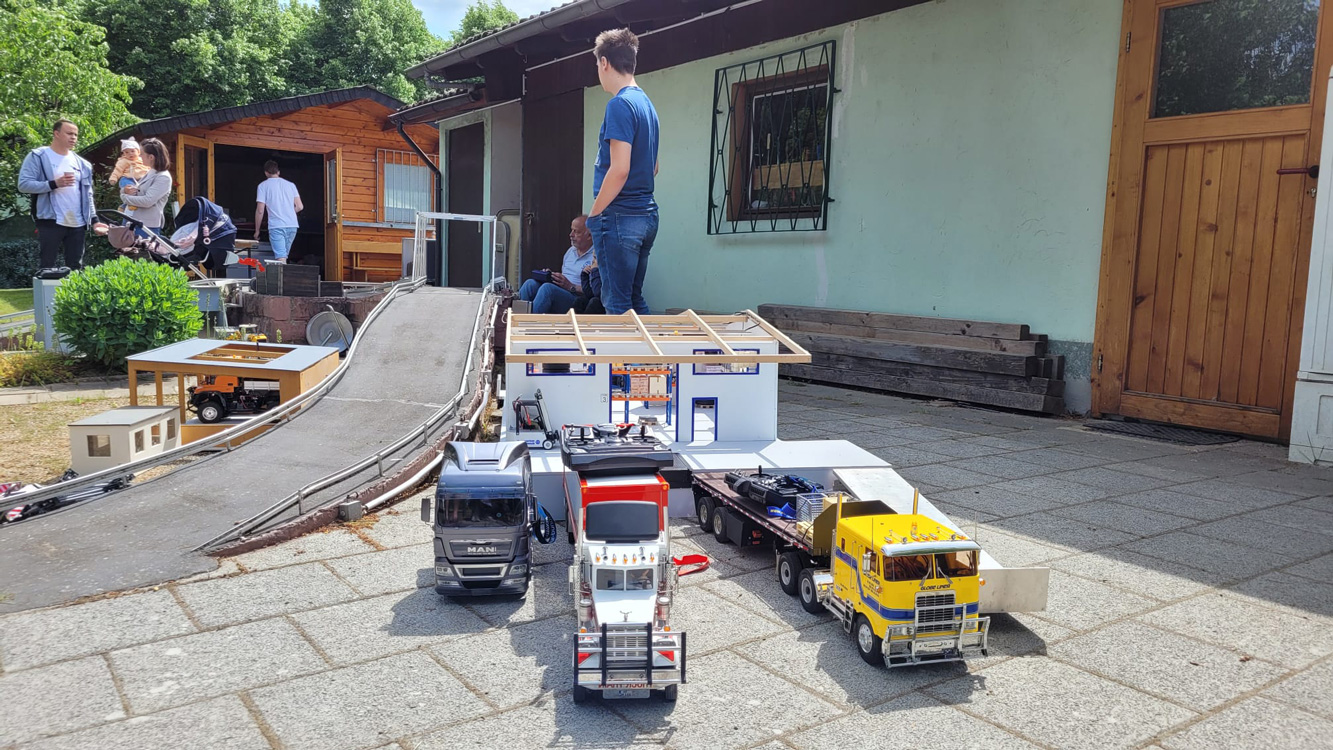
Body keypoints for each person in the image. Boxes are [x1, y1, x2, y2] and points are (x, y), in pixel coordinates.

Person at [587, 28, 659, 316]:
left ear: (604, 63)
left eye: (597, 64)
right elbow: (654, 167)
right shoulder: (647, 105)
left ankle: (626, 353)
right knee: (634, 300)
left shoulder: (619, 104)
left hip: (620, 217)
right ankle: (649, 349)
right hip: (646, 214)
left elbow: (620, 170)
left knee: (617, 304)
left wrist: (595, 215)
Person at [16, 119, 108, 270]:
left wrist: (95, 220)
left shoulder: (82, 164)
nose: (73, 138)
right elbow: (24, 185)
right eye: (69, 133)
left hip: (78, 222)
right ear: (56, 133)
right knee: (47, 267)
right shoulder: (38, 156)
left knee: (75, 268)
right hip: (51, 219)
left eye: (76, 135)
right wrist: (53, 184)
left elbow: (87, 195)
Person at [519, 215, 594, 314]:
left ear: (589, 236)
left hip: (579, 299)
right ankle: (517, 318)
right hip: (563, 290)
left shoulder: (596, 256)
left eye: (576, 232)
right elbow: (566, 276)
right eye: (571, 230)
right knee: (529, 284)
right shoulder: (571, 251)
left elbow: (597, 290)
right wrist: (552, 277)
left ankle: (530, 322)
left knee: (547, 289)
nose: (571, 235)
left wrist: (571, 286)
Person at [118, 138, 173, 236]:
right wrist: (125, 190)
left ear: (151, 157)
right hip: (132, 222)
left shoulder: (163, 177)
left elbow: (147, 201)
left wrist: (124, 197)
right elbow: (137, 191)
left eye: (142, 153)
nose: (139, 156)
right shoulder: (150, 171)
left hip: (146, 227)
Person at [253, 160, 302, 263]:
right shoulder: (291, 185)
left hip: (277, 226)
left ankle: (282, 274)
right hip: (292, 225)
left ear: (266, 173)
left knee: (281, 256)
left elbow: (260, 210)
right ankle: (284, 272)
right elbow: (300, 206)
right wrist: (288, 212)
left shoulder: (263, 186)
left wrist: (257, 230)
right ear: (278, 172)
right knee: (284, 255)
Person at [108, 138, 151, 217]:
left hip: (140, 180)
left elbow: (149, 168)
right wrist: (113, 178)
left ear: (138, 151)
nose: (130, 154)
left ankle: (124, 206)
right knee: (131, 190)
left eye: (132, 151)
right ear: (123, 153)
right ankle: (129, 205)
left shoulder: (142, 160)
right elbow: (117, 170)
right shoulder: (123, 161)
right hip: (127, 179)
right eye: (126, 152)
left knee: (139, 192)